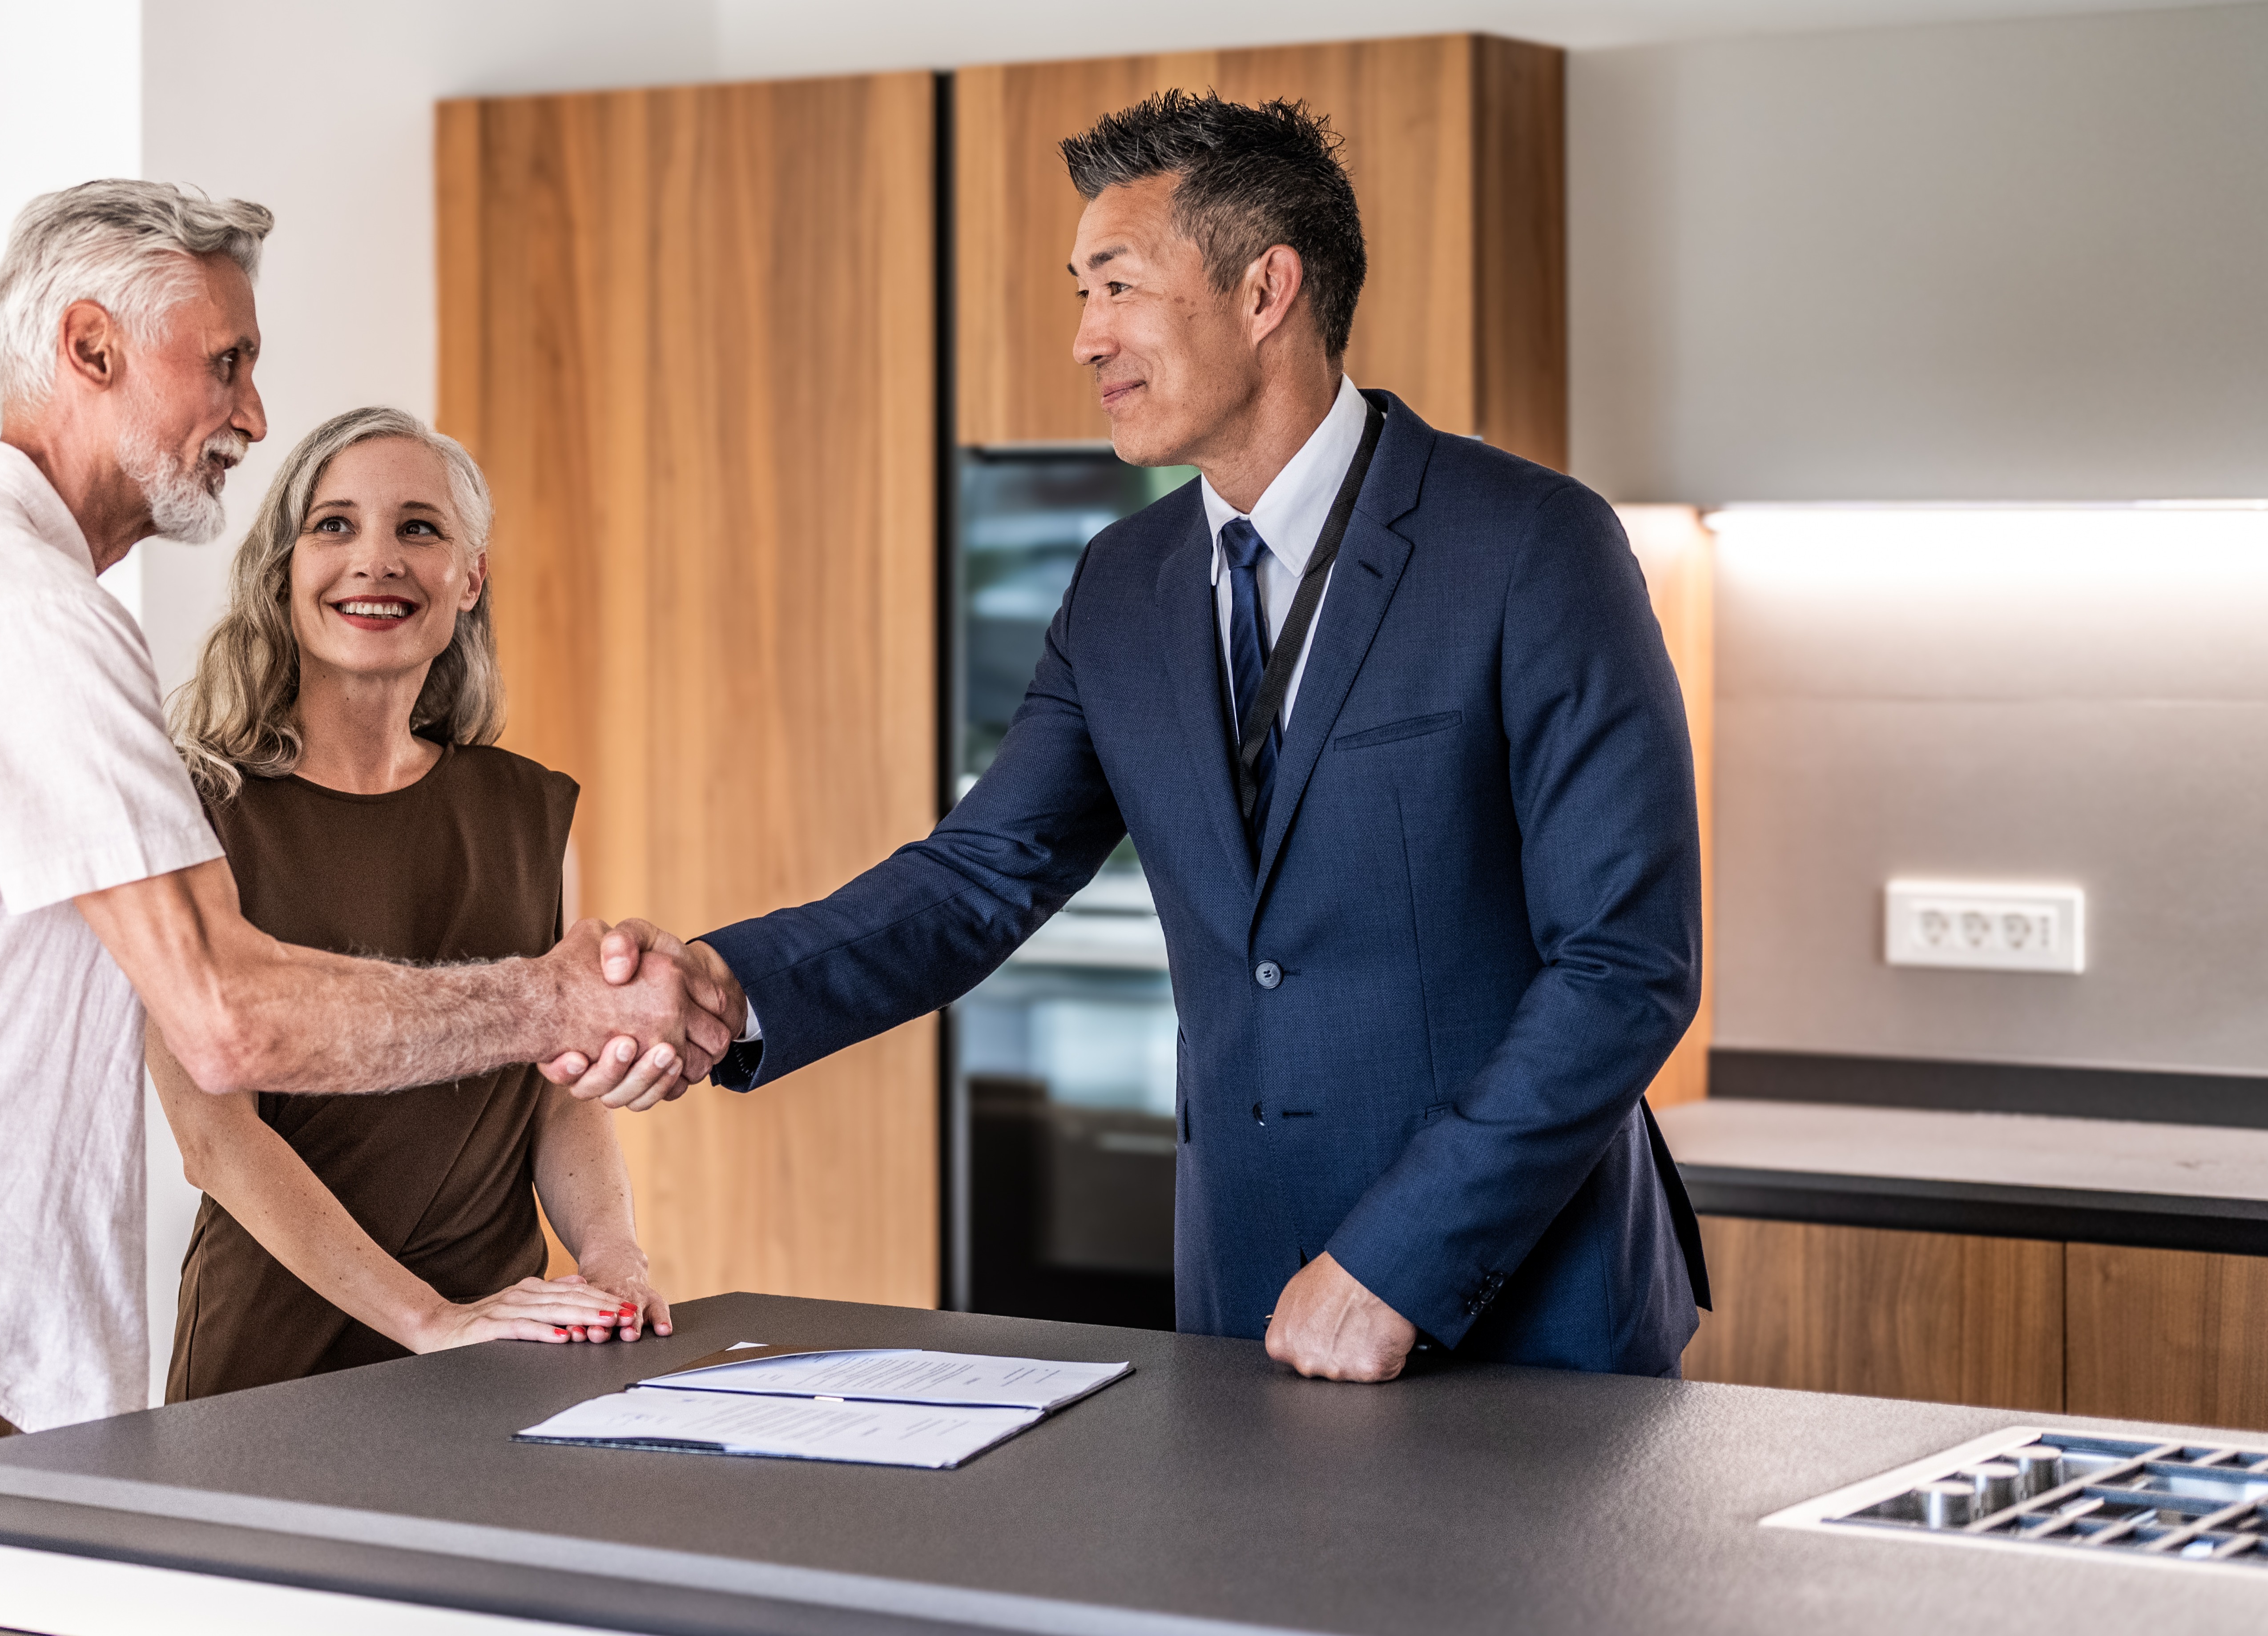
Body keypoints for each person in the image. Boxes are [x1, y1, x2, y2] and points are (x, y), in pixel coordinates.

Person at [0, 181, 736, 1635]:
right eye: (225, 363)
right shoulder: (13, 615)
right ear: (88, 348)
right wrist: (558, 1001)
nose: (252, 415)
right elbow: (222, 1016)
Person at [561, 92, 1712, 1383]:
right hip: (1248, 1303)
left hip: (1529, 1311)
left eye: (1115, 286)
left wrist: (1400, 1257)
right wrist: (726, 982)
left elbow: (1624, 962)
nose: (1083, 339)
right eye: (1077, 293)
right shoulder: (1123, 584)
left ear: (1265, 290)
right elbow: (977, 876)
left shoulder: (1529, 546)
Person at [153, 406, 672, 1403]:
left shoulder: (530, 809)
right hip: (274, 1364)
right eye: (335, 525)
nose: (375, 560)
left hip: (505, 1352)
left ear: (468, 579)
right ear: (284, 568)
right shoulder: (198, 811)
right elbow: (214, 1139)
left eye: (419, 529)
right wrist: (429, 1320)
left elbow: (557, 1093)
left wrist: (612, 1259)